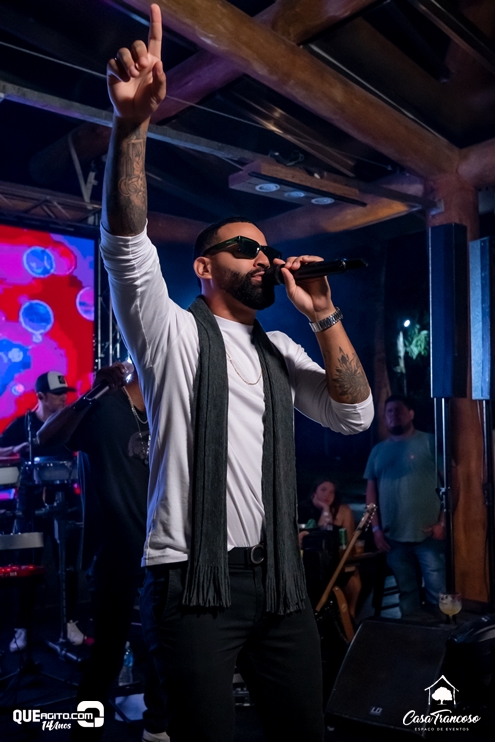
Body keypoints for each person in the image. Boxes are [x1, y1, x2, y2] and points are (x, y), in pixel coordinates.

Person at [100, 6, 373, 741]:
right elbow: (124, 243)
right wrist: (132, 127)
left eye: (264, 250)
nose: (262, 258)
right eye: (243, 249)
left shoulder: (281, 349)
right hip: (193, 581)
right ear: (203, 267)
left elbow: (354, 414)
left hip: (280, 579)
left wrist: (323, 312)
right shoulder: (169, 333)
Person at [38, 363, 169, 742]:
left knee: (164, 648)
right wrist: (91, 395)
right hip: (114, 552)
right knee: (108, 655)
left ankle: (157, 728)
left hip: (162, 549)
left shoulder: (166, 410)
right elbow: (47, 438)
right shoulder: (105, 406)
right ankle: (85, 732)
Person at [0, 371, 85, 651]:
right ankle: (21, 628)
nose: (63, 398)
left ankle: (70, 622)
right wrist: (17, 448)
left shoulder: (68, 422)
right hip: (31, 507)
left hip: (65, 503)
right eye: (57, 394)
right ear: (40, 396)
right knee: (27, 567)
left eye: (65, 393)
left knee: (67, 566)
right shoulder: (24, 424)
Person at [365, 394, 446, 616]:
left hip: (429, 535)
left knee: (438, 592)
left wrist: (443, 522)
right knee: (407, 592)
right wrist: (375, 528)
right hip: (393, 538)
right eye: (389, 411)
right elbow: (371, 492)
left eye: (399, 410)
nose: (394, 415)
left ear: (411, 414)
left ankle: (442, 633)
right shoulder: (378, 451)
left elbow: (451, 481)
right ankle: (412, 632)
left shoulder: (430, 442)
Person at [299, 479, 362, 616]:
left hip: (336, 561)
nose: (327, 495)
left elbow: (349, 543)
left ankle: (349, 620)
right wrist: (325, 509)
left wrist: (326, 509)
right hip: (312, 564)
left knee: (353, 581)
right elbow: (318, 535)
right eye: (323, 490)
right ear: (314, 492)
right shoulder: (303, 510)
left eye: (332, 492)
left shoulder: (343, 510)